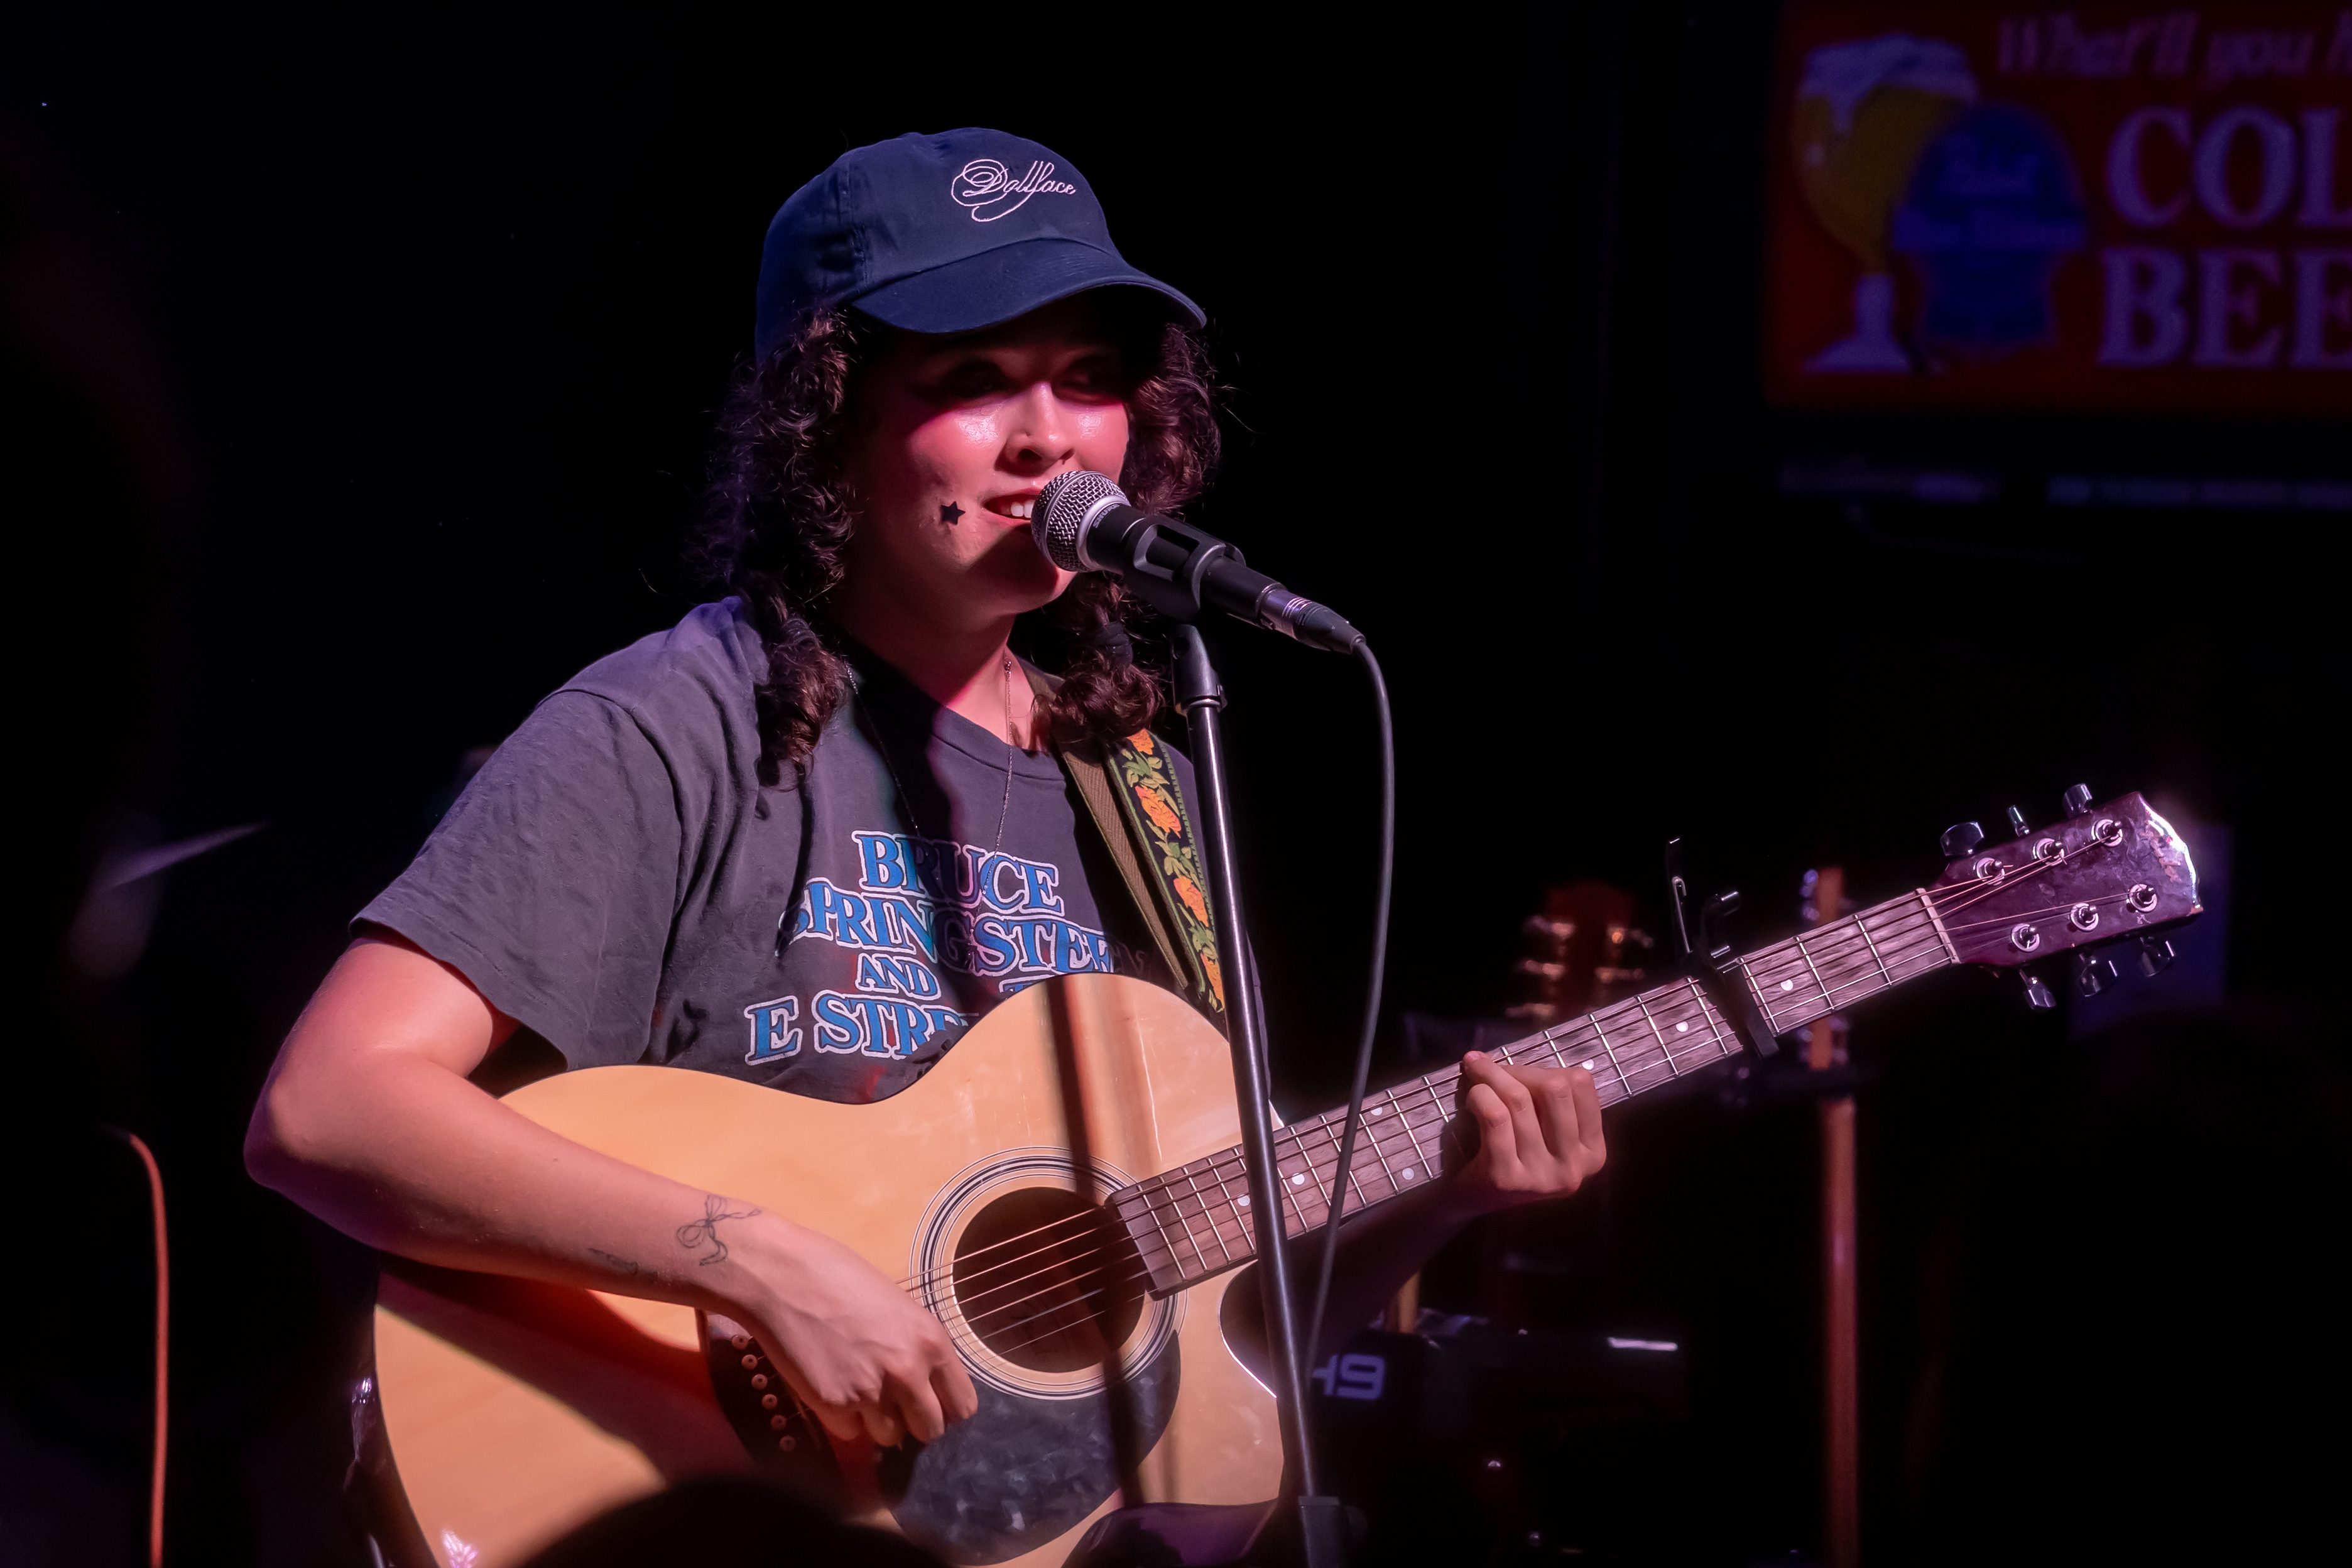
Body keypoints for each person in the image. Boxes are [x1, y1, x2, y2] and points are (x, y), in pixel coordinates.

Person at [244, 128, 1608, 1465]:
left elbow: (1219, 1355)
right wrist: (762, 1266)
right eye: (975, 378)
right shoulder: (678, 720)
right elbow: (328, 1110)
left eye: (1088, 378)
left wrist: (1445, 1200)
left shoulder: (1147, 799)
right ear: (827, 423)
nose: (1049, 440)